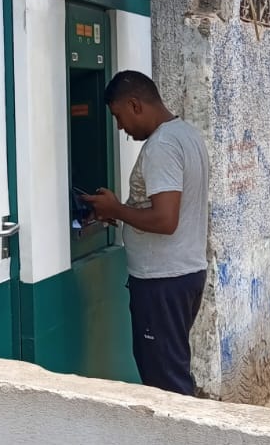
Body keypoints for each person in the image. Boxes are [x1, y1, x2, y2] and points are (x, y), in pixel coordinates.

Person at [81, 71, 209, 396]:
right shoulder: (186, 135)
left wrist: (116, 209)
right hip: (183, 274)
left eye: (118, 116)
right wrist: (120, 212)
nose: (120, 127)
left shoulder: (161, 146)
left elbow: (166, 220)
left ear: (135, 105)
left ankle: (182, 431)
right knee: (169, 370)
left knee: (166, 384)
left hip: (162, 282)